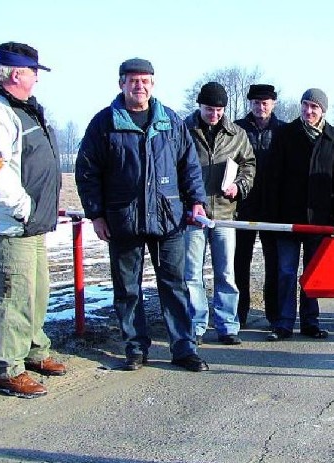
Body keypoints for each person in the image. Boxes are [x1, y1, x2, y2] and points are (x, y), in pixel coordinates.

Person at [76, 58, 209, 372]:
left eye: (145, 81)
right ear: (121, 83)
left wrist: (197, 201)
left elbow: (189, 165)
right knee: (128, 289)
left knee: (174, 285)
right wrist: (96, 214)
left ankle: (183, 348)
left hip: (168, 219)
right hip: (124, 220)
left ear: (153, 84)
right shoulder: (104, 123)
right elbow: (87, 172)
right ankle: (135, 348)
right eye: (133, 81)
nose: (140, 86)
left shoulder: (171, 122)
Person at [0, 42, 66, 398]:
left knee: (37, 291)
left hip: (34, 224)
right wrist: (23, 208)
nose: (35, 79)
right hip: (12, 224)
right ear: (16, 74)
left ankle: (32, 350)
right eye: (33, 72)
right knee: (11, 296)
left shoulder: (23, 108)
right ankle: (5, 368)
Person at [266, 88, 334, 341]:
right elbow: (273, 177)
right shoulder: (285, 134)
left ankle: (310, 321)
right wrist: (272, 214)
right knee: (286, 272)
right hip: (287, 218)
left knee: (313, 273)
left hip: (321, 220)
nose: (309, 111)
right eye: (305, 105)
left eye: (314, 107)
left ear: (323, 110)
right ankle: (283, 322)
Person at [184, 82, 256, 345]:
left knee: (226, 273)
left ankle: (227, 325)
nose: (214, 114)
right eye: (209, 109)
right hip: (193, 215)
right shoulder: (184, 131)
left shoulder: (236, 134)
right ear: (199, 105)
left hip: (225, 214)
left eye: (219, 110)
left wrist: (240, 186)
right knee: (192, 274)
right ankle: (196, 324)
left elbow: (249, 164)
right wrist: (187, 201)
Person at [234, 84, 285, 327]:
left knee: (273, 263)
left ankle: (274, 315)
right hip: (241, 206)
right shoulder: (236, 129)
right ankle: (239, 313)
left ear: (273, 103)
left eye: (265, 102)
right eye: (256, 102)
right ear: (250, 104)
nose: (260, 107)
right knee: (239, 262)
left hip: (274, 208)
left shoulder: (283, 131)